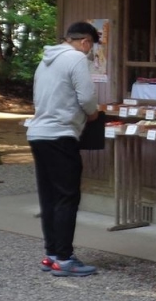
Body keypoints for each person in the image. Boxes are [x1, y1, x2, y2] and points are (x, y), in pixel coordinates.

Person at [27, 21, 101, 277]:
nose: (89, 52)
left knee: (48, 197)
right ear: (85, 42)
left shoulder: (46, 60)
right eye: (90, 47)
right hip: (61, 134)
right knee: (67, 197)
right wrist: (93, 113)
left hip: (38, 133)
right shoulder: (76, 59)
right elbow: (87, 98)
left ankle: (51, 254)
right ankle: (65, 258)